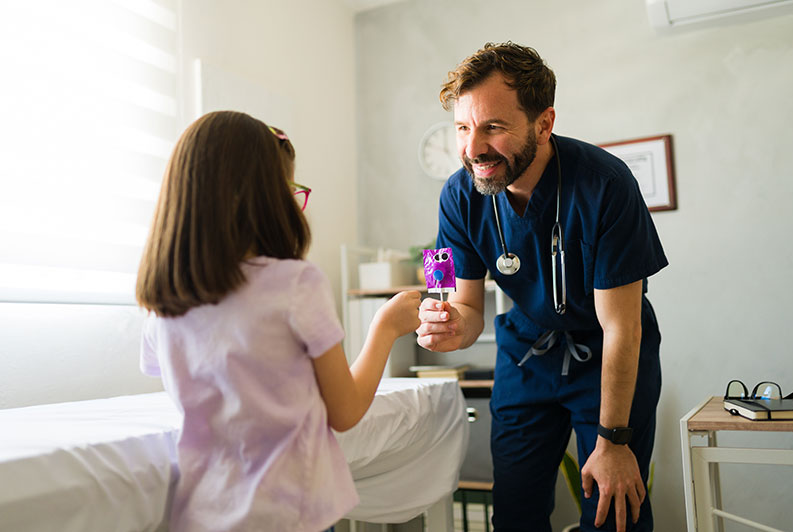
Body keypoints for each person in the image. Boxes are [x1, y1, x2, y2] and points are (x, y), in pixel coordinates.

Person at [416, 42, 668, 532]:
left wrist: (614, 440)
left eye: (493, 127)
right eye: (463, 129)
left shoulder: (605, 184)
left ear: (543, 123)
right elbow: (461, 307)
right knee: (515, 514)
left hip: (607, 355)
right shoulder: (455, 196)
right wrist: (442, 324)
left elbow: (622, 328)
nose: (473, 149)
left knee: (615, 513)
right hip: (525, 356)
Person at [136, 111, 421, 532]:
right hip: (289, 511)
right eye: (288, 189)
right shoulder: (295, 284)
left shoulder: (163, 304)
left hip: (202, 512)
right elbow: (344, 411)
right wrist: (386, 327)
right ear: (265, 198)